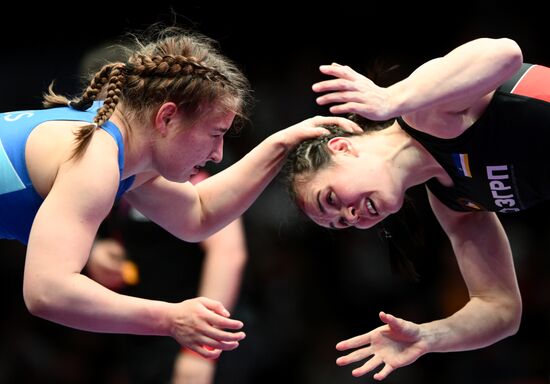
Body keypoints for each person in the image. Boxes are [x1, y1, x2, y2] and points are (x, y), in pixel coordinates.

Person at [0, 25, 361, 358]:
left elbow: (198, 214)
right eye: (215, 134)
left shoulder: (126, 150)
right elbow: (47, 291)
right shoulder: (95, 158)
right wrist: (170, 319)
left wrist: (280, 144)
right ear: (167, 117)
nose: (217, 154)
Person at [284, 37, 549, 380]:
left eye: (331, 199)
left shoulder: (422, 110)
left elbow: (504, 54)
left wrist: (392, 98)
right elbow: (500, 309)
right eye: (340, 223)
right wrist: (429, 336)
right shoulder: (453, 203)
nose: (350, 216)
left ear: (342, 147)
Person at [88, 169, 247, 384]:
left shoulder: (199, 167)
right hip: (143, 336)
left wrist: (201, 354)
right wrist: (94, 252)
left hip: (196, 341)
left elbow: (228, 254)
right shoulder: (119, 167)